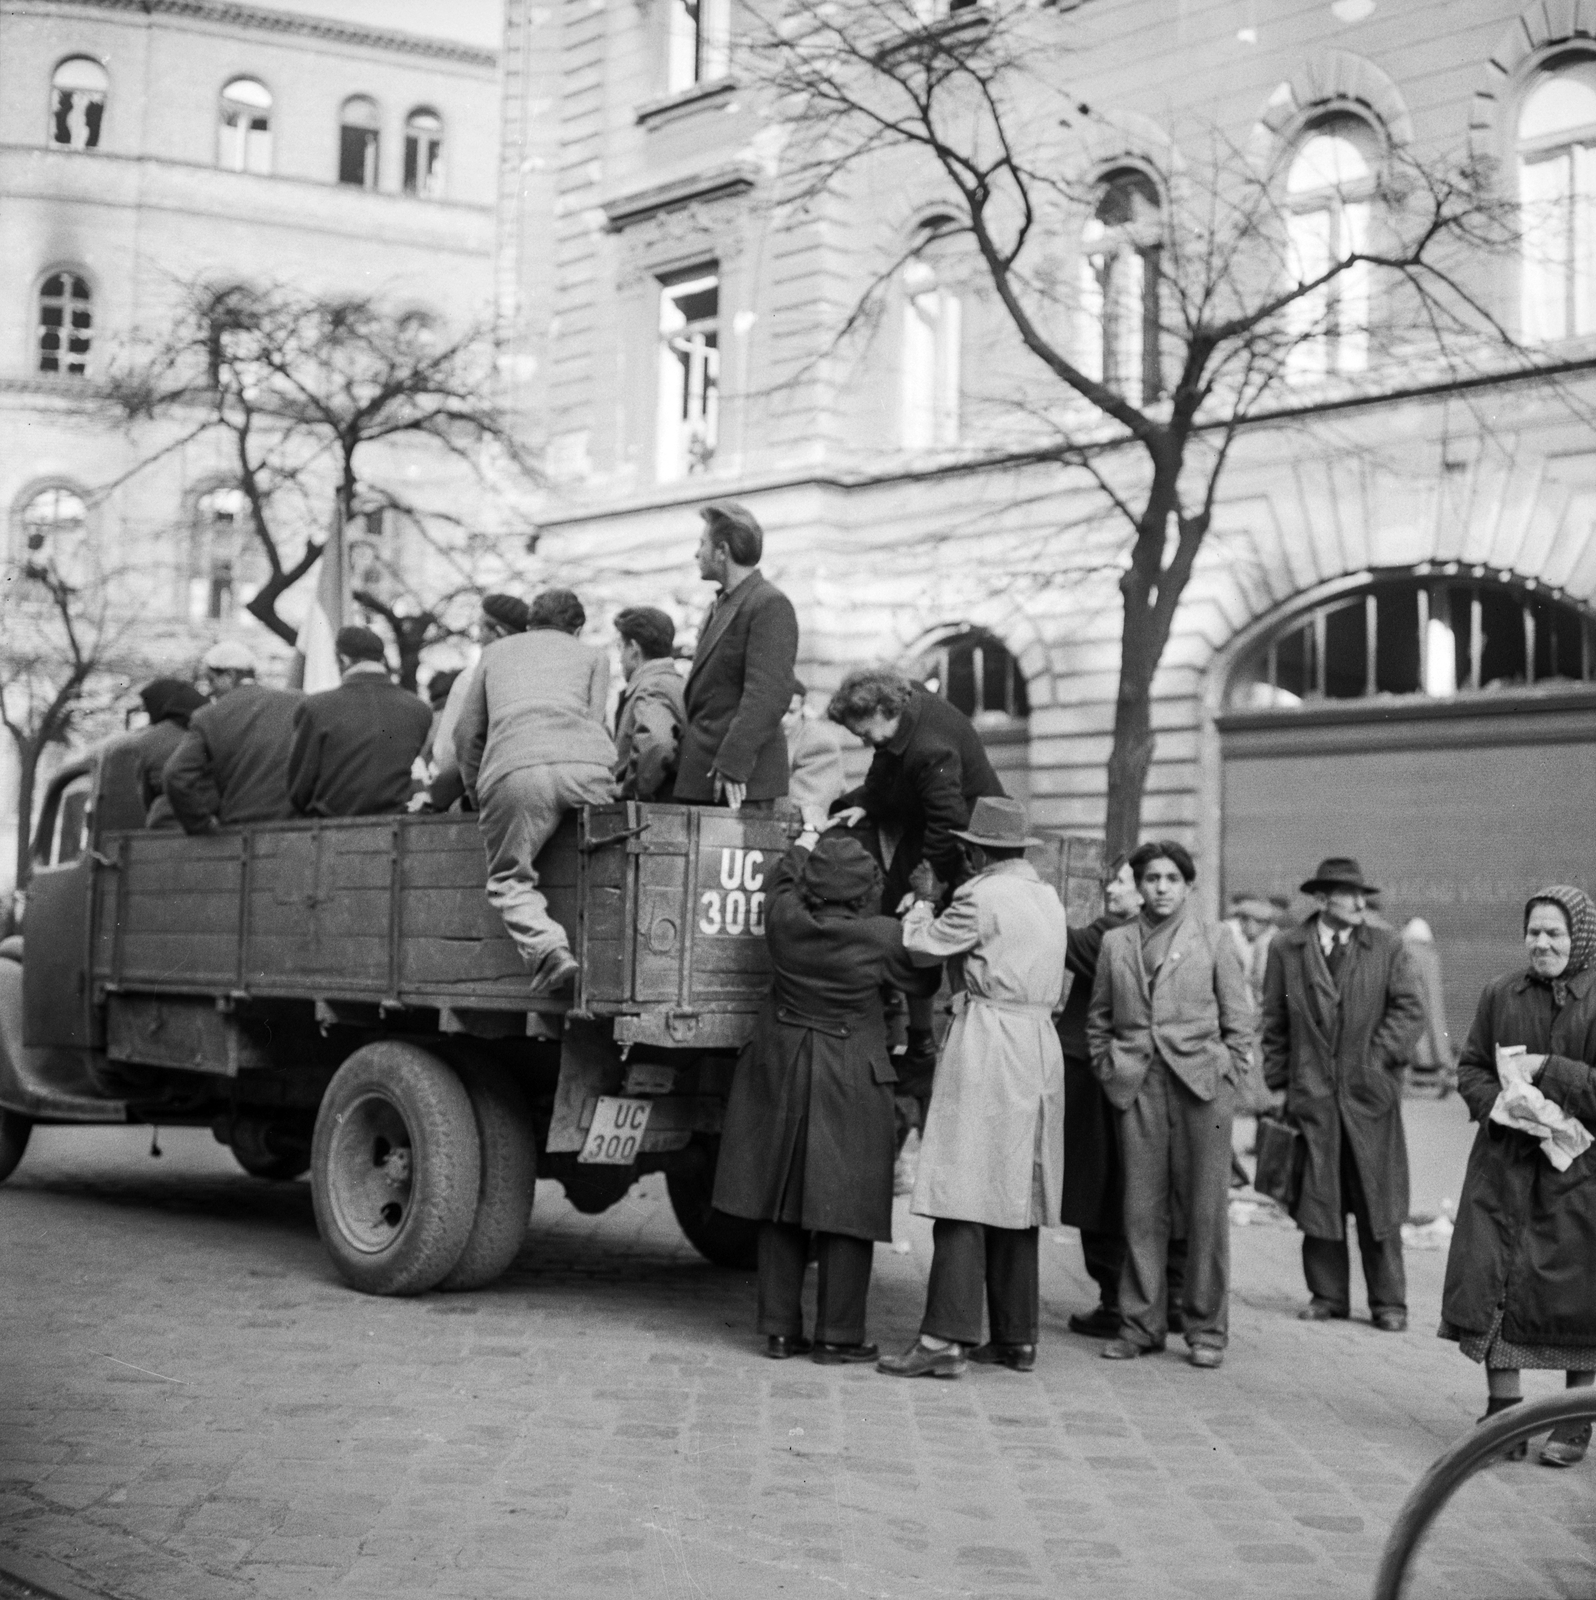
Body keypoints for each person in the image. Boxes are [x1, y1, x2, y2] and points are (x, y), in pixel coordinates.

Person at [714, 831, 942, 1364]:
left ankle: (778, 1330)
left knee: (780, 1200)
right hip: (851, 1076)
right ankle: (838, 1336)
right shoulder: (882, 936)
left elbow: (782, 879)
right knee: (848, 1208)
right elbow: (925, 982)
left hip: (782, 1069)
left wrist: (806, 838)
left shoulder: (786, 920)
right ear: (866, 890)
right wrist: (925, 903)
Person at [877, 797, 1067, 1379]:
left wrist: (925, 901)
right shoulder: (1047, 895)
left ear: (978, 850)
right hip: (1038, 1039)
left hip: (990, 1037)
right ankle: (1016, 1336)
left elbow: (922, 946)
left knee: (964, 1181)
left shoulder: (979, 895)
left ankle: (943, 1339)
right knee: (1016, 1187)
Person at [1439, 885, 1596, 1468]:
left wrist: (1549, 1070)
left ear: (1580, 938)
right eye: (1534, 932)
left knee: (1578, 1299)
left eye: (1556, 933)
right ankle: (1503, 1414)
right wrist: (1495, 1106)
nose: (1542, 943)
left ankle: (1574, 1420)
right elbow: (1473, 1066)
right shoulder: (1501, 993)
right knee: (1497, 1285)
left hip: (1580, 1176)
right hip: (1505, 1166)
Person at [1088, 841, 1253, 1370]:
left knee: (1205, 1212)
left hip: (1201, 1086)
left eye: (1171, 879)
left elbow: (1238, 1018)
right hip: (1138, 1084)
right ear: (1138, 884)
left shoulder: (1214, 937)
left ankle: (1206, 1328)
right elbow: (1099, 1018)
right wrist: (1109, 1065)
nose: (1161, 887)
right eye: (1152, 878)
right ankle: (1140, 1324)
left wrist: (1228, 1074)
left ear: (1187, 885)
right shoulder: (1116, 942)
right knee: (1140, 1210)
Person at [1259, 856, 1425, 1333]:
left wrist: (1376, 1063)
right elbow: (1273, 1021)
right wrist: (1279, 1085)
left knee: (1378, 1196)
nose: (1359, 903)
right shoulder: (1287, 948)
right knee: (1317, 1196)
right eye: (1348, 894)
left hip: (1369, 1098)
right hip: (1310, 1097)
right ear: (1322, 898)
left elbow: (1410, 1011)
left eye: (1361, 895)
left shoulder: (1387, 946)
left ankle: (1389, 1303)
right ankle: (1327, 1295)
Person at [455, 588, 615, 994]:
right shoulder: (595, 656)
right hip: (586, 769)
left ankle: (550, 949)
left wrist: (479, 792)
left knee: (508, 878)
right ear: (576, 628)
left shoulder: (496, 653)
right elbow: (595, 720)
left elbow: (466, 734)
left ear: (529, 622)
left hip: (516, 772)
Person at [1058, 854, 1187, 1339]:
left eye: (1121, 881)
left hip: (1104, 1082)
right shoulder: (1173, 937)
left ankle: (1118, 1301)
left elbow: (1060, 941)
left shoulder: (1112, 936)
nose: (1111, 889)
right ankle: (1168, 1296)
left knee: (1102, 1193)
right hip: (1150, 1082)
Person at [675, 501, 799, 813]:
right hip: (706, 778)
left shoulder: (768, 604)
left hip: (739, 784)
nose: (696, 554)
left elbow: (768, 694)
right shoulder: (720, 606)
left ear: (722, 551)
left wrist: (733, 764)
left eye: (702, 544)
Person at [286, 626, 432, 818]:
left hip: (330, 831)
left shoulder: (315, 708)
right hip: (399, 826)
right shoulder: (419, 708)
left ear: (343, 659)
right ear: (380, 658)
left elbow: (299, 790)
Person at [162, 641, 302, 833]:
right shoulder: (297, 701)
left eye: (211, 680)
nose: (209, 690)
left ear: (230, 676)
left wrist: (200, 824)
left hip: (239, 831)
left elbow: (175, 776)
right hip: (299, 827)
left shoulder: (208, 716)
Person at [416, 594, 530, 813]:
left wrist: (439, 800)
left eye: (480, 629)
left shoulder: (471, 680)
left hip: (489, 804)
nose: (478, 638)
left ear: (497, 632)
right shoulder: (545, 677)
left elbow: (449, 761)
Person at [612, 606, 686, 802]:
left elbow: (658, 742)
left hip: (653, 812)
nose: (619, 659)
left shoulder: (651, 687)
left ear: (634, 649)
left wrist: (631, 789)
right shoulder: (680, 684)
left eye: (620, 648)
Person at [131, 678, 206, 830]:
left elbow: (146, 796)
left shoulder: (148, 739)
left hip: (165, 825)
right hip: (213, 822)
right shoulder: (210, 726)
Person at [783, 680, 846, 831]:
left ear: (803, 710)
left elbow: (808, 805)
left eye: (791, 712)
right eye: (777, 712)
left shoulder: (819, 742)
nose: (783, 719)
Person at [1401, 917, 1454, 1093]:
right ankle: (1438, 1061)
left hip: (1414, 1004)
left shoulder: (1408, 952)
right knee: (1433, 1018)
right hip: (1426, 1005)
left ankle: (1422, 1061)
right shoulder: (1430, 955)